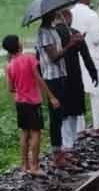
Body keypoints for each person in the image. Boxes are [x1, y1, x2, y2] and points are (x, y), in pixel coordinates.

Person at [2, 34, 60, 177]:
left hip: (20, 102)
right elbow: (38, 79)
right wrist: (51, 97)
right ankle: (34, 166)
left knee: (24, 132)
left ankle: (24, 165)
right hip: (33, 102)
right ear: (18, 45)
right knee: (35, 133)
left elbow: (10, 88)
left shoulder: (9, 66)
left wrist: (21, 88)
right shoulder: (29, 59)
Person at [35, 10, 84, 170]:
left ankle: (61, 151)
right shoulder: (44, 33)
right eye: (53, 12)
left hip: (59, 76)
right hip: (52, 78)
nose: (56, 14)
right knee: (56, 117)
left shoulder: (51, 30)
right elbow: (53, 57)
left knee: (61, 114)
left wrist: (73, 41)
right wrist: (70, 44)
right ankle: (57, 155)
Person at [55, 8, 98, 157]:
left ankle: (66, 143)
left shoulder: (52, 35)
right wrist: (93, 73)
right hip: (74, 76)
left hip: (58, 78)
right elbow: (86, 56)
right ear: (67, 17)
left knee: (64, 111)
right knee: (74, 109)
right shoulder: (74, 33)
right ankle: (70, 142)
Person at [71, 0, 99, 138]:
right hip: (92, 57)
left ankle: (80, 129)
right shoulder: (91, 14)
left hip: (75, 58)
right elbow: (97, 38)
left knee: (78, 92)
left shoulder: (70, 14)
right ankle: (97, 127)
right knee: (96, 93)